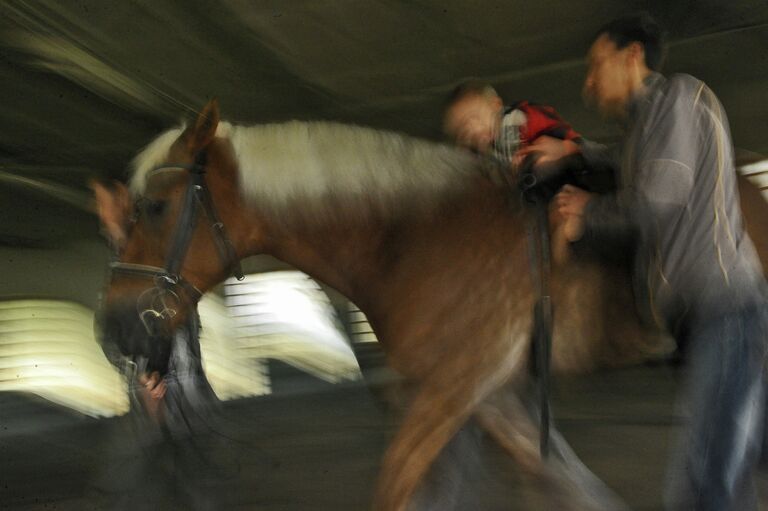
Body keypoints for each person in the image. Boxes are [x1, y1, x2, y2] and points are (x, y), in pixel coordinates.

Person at [520, 13, 768, 510]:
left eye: (596, 66)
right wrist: (571, 152)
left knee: (702, 485)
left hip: (728, 310)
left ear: (632, 56)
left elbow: (656, 198)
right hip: (709, 320)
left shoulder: (679, 95)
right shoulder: (647, 128)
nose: (589, 84)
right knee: (733, 473)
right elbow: (623, 160)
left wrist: (587, 214)